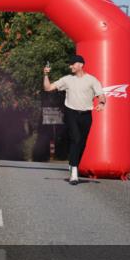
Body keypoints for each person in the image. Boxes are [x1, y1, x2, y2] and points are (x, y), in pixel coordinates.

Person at [44, 55, 105, 185]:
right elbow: (48, 88)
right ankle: (74, 173)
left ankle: (73, 164)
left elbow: (101, 95)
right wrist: (45, 75)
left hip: (86, 114)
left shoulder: (92, 80)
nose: (70, 66)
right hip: (71, 112)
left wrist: (101, 103)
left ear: (81, 65)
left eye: (73, 64)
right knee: (76, 138)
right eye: (70, 64)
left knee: (82, 143)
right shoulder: (67, 79)